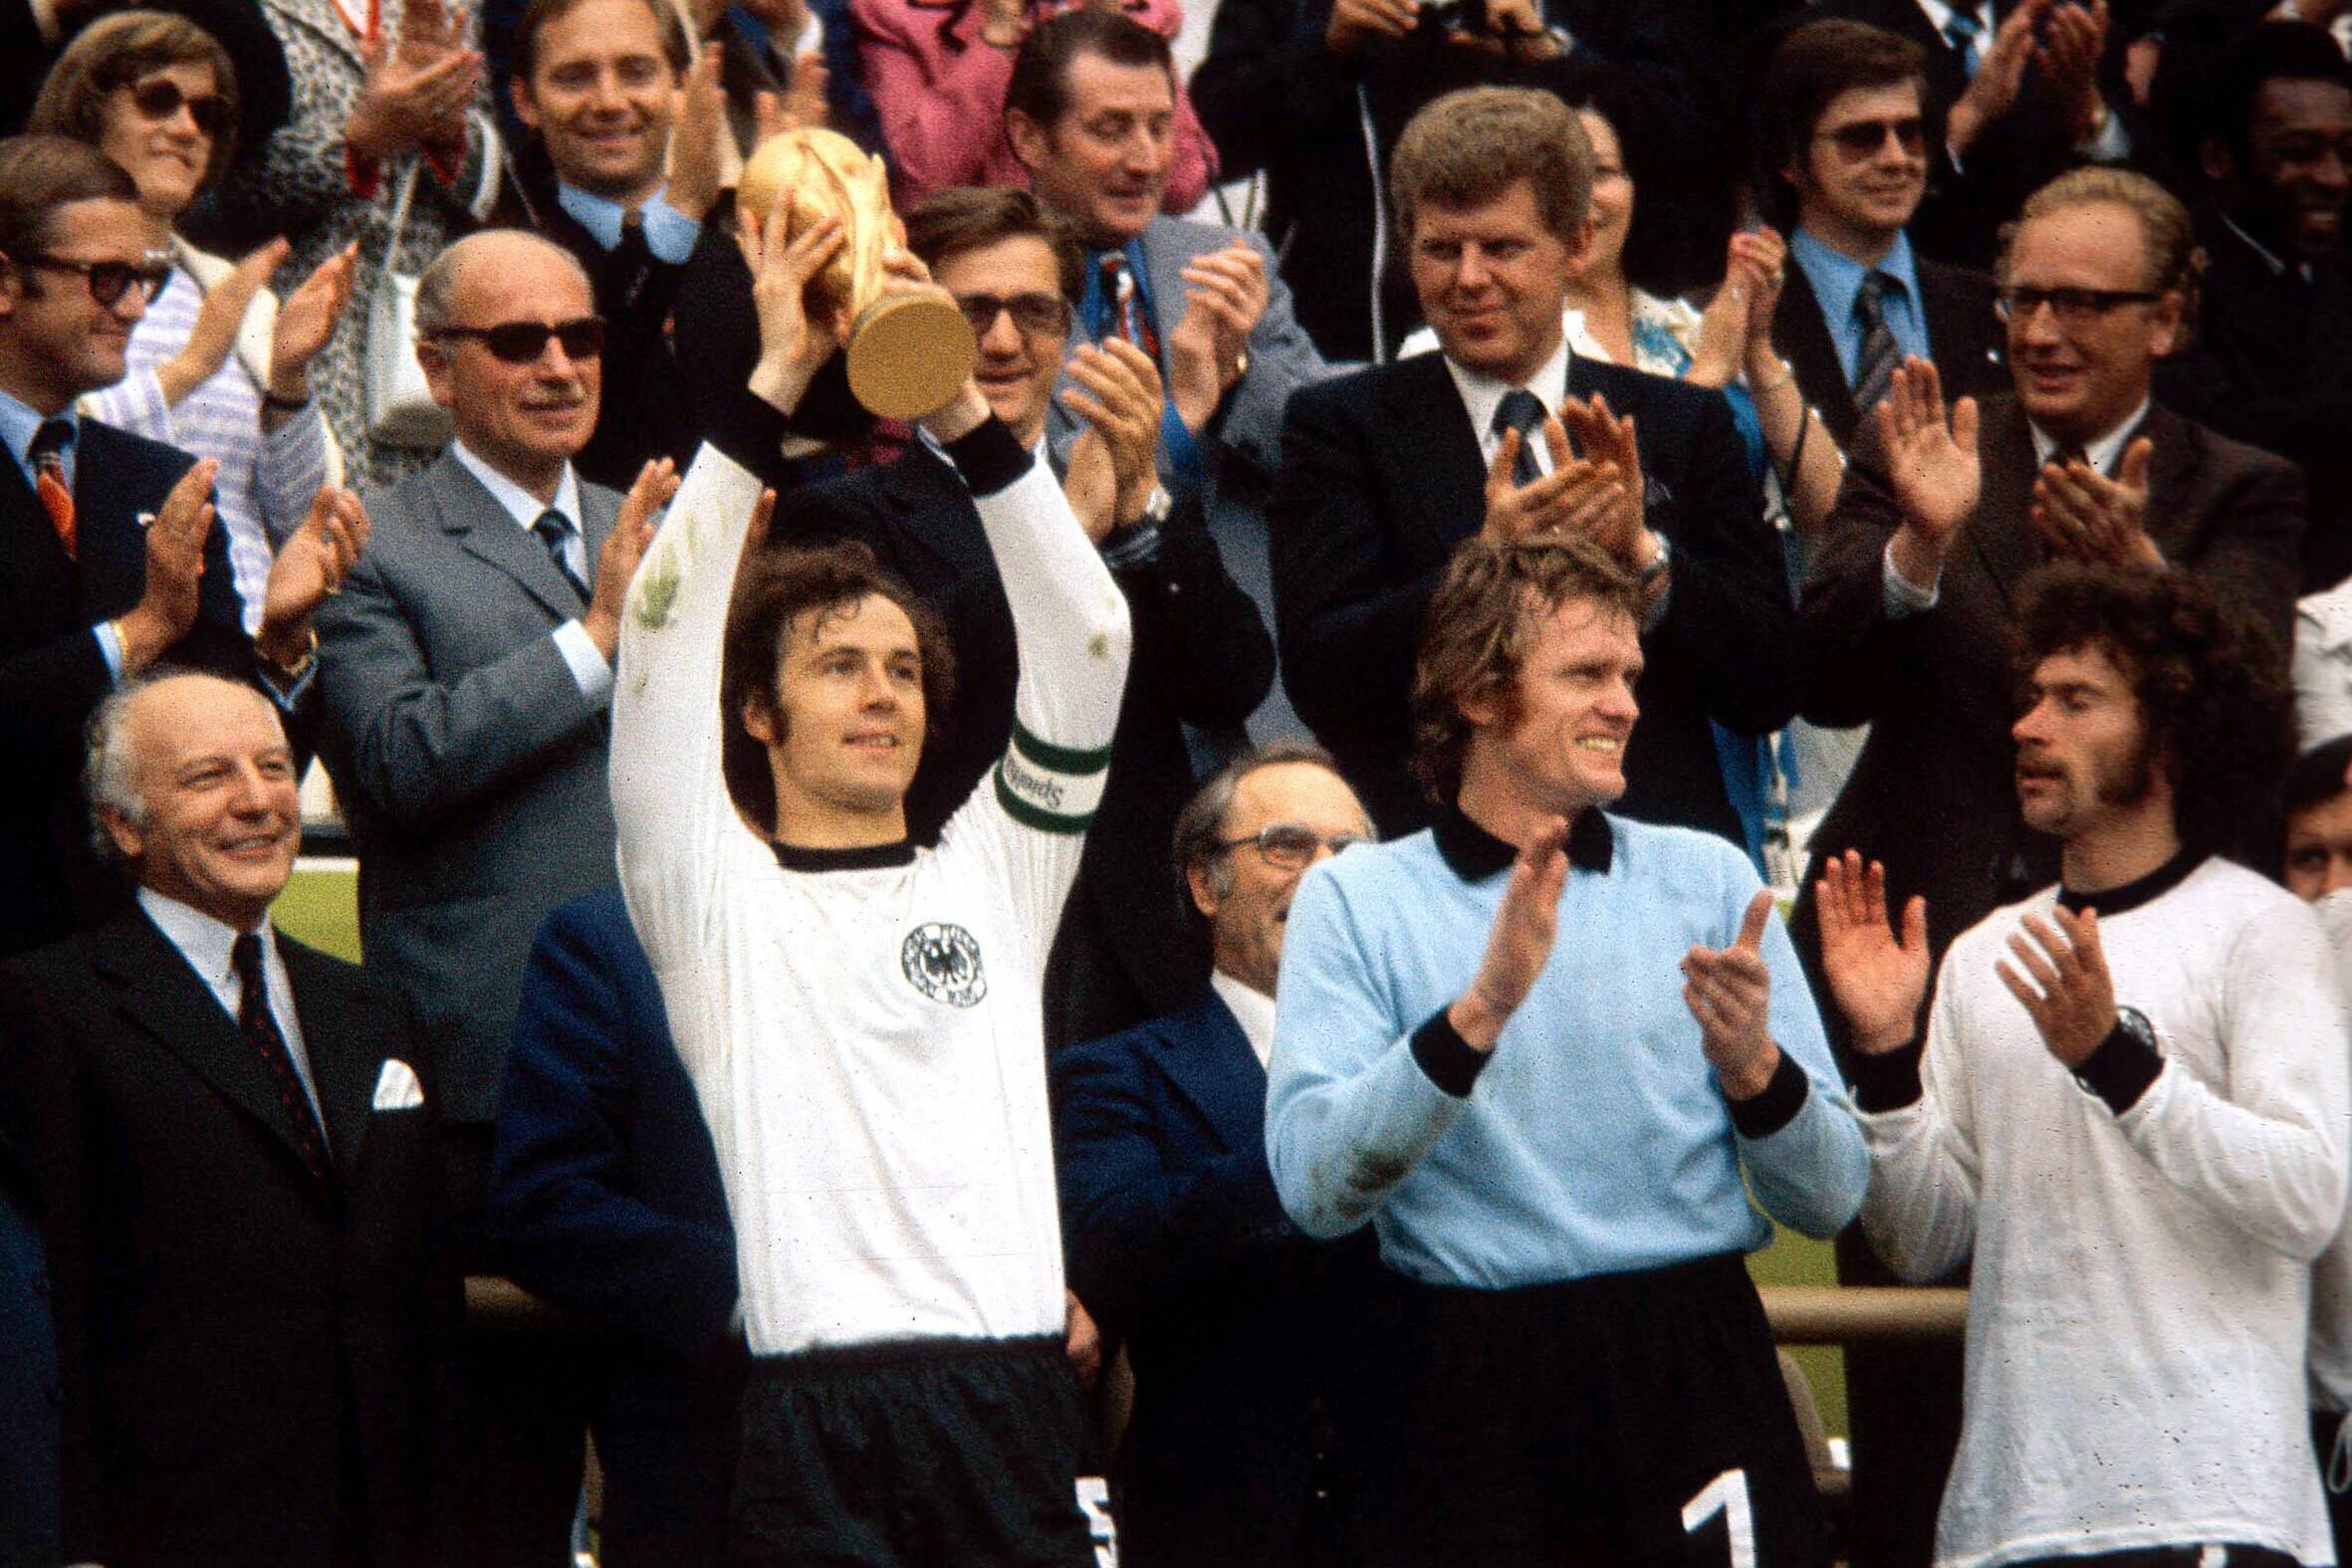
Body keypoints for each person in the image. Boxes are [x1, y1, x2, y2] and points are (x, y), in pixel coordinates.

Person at [1793, 162, 2307, 1568]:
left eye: (2085, 300)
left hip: (2158, 994)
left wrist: (2146, 578)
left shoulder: (2243, 489)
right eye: (2020, 295)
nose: (2041, 327)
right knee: (1914, 1401)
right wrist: (1917, 538)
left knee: (2153, 1329)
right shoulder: (1923, 437)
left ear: (2171, 317)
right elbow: (1821, 669)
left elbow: (2255, 723)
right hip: (1932, 981)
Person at [608, 191, 1132, 1562]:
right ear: (761, 715)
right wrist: (778, 371)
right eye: (838, 663)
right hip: (810, 1414)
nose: (880, 691)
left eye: (902, 666)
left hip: (1016, 1397)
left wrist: (955, 404)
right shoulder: (706, 893)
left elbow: (1088, 634)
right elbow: (660, 640)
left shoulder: (1000, 873)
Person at [1265, 530, 1867, 1563]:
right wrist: (1478, 1014)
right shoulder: (1353, 896)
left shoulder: (1710, 878)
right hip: (1462, 1388)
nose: (1626, 703)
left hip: (1695, 1369)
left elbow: (1832, 1196)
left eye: (1630, 674)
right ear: (1476, 692)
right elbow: (1316, 1187)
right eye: (1586, 673)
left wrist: (1755, 1074)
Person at [1815, 560, 2347, 1568]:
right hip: (2006, 1521)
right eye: (2028, 698)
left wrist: (2120, 1065)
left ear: (2170, 734)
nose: (2027, 727)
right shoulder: (1980, 958)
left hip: (2211, 1510)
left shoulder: (2264, 933)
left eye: (2074, 701)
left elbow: (2307, 1198)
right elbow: (1925, 1240)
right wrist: (1885, 1059)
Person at [310, 225, 672, 1562]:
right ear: (437, 363)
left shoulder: (655, 521)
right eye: (519, 340)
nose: (560, 363)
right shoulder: (378, 541)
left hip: (676, 1068)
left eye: (580, 335)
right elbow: (395, 764)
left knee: (684, 1474)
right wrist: (592, 638)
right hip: (490, 1079)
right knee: (491, 1491)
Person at [778, 185, 1275, 1047]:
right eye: (971, 312)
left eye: (1035, 312)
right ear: (916, 319)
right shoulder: (844, 515)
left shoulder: (1118, 470)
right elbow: (932, 706)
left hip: (1143, 947)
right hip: (963, 939)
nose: (1004, 342)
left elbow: (1232, 677)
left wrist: (1151, 509)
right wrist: (1068, 542)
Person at [0, 668, 460, 1567]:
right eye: (210, 777)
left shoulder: (375, 1009)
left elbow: (423, 1306)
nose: (258, 802)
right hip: (175, 1526)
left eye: (275, 768)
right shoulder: (48, 1009)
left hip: (389, 1524)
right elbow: (52, 1310)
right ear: (124, 824)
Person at [1271, 86, 1799, 842]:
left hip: (1652, 867)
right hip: (1435, 874)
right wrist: (1481, 566)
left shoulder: (1682, 422)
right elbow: (1326, 684)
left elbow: (1769, 682)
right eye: (1441, 249)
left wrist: (1647, 560)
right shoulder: (1340, 426)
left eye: (1503, 247)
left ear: (1576, 244)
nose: (1469, 279)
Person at [0, 132, 362, 961]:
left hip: (143, 979)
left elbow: (233, 778)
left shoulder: (157, 479)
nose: (134, 307)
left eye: (147, 280)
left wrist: (278, 645)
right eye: (107, 278)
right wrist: (138, 633)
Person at [1053, 742, 1383, 1568]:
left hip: (1417, 1517)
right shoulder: (1121, 1070)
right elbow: (1115, 1240)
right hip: (1217, 1527)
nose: (1323, 873)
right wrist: (1325, 1147)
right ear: (1204, 883)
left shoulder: (1432, 1064)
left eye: (1350, 853)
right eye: (1287, 845)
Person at [1010, 8, 1326, 736]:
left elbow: (1326, 458)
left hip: (1258, 699)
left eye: (1160, 126)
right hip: (1090, 708)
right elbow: (1038, 509)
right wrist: (1180, 419)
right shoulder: (985, 294)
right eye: (1111, 128)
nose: (1146, 158)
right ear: (1029, 136)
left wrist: (1239, 373)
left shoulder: (1230, 260)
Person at [31, 8, 354, 633]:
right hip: (109, 631)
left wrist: (289, 382)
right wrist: (189, 370)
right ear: (90, 112)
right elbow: (30, 447)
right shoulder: (38, 275)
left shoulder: (235, 296)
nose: (186, 127)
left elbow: (298, 520)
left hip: (253, 636)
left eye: (206, 114)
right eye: (159, 101)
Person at [1189, 0, 1701, 364]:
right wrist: (1327, 45)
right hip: (1337, 342)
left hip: (1550, 345)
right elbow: (1204, 148)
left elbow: (1684, 144)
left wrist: (1549, 52)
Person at [484, 887, 742, 1568]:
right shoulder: (608, 938)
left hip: (934, 1446)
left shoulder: (921, 919)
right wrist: (749, 1291)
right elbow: (541, 1199)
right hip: (715, 1458)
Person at [211, 0, 503, 490]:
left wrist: (447, 130)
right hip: (287, 326)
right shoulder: (245, 12)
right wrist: (356, 145)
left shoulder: (448, 9)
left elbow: (490, 189)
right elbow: (215, 201)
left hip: (413, 336)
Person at [2159, 21, 2352, 593]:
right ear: (2220, 157)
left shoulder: (2342, 262)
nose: (2334, 179)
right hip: (2239, 589)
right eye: (2300, 154)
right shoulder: (2170, 276)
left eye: (2346, 152)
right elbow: (2226, 443)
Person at [1757, 18, 2006, 457]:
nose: (1896, 159)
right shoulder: (1741, 313)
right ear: (1790, 158)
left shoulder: (1988, 306)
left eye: (1909, 134)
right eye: (1860, 138)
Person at [505, 0, 725, 490]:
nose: (608, 101)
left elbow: (830, 421)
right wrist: (682, 211)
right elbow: (603, 375)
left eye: (637, 72)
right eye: (574, 78)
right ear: (525, 101)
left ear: (680, 86)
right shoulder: (507, 258)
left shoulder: (732, 246)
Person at [1813, 0, 2134, 270]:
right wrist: (1967, 119)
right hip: (1918, 283)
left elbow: (2154, 184)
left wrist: (2089, 116)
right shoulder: (1836, 30)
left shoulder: (2066, 26)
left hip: (2060, 277)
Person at [855, 0, 1216, 214]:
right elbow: (919, 195)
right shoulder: (898, 17)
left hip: (1101, 254)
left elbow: (1182, 187)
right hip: (976, 262)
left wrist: (1112, 28)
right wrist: (993, 43)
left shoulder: (1133, 10)